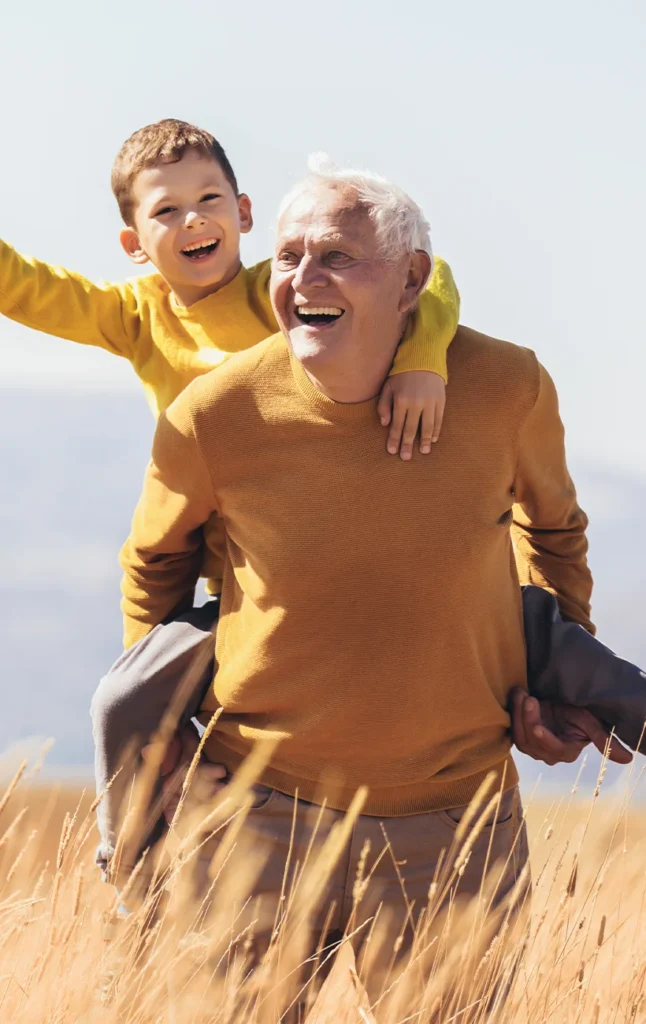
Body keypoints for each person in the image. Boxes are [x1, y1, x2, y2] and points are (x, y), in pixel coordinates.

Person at [115, 154, 619, 967]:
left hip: (455, 820)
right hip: (252, 812)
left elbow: (554, 531)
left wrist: (553, 677)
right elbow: (154, 563)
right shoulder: (212, 413)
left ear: (413, 279)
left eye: (337, 256)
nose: (302, 277)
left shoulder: (507, 386)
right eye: (287, 256)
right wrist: (165, 718)